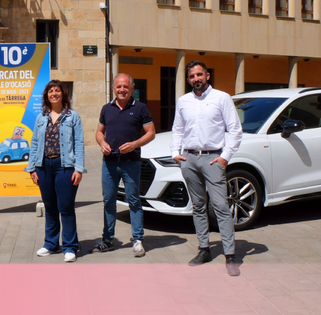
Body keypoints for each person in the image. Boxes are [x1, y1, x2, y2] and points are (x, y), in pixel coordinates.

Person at [171, 60, 243, 276]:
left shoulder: (222, 98)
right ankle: (204, 249)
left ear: (207, 75)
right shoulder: (183, 101)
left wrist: (225, 157)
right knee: (198, 206)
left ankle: (230, 255)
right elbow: (177, 129)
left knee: (221, 206)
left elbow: (235, 130)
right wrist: (176, 153)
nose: (196, 79)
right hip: (189, 159)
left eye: (199, 75)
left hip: (213, 159)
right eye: (192, 76)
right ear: (188, 79)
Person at [94, 73, 155, 257]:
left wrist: (135, 144)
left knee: (134, 201)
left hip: (131, 163)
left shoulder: (141, 108)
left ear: (132, 88)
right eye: (119, 87)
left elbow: (151, 133)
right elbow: (98, 132)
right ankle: (107, 239)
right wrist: (102, 143)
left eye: (125, 87)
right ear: (114, 88)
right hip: (109, 163)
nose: (122, 90)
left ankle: (137, 240)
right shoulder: (107, 108)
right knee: (108, 201)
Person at [25, 80, 86, 262]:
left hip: (65, 166)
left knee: (66, 207)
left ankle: (70, 246)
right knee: (50, 208)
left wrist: (79, 169)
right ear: (47, 96)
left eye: (57, 90)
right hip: (43, 166)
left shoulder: (72, 117)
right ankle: (51, 244)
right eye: (51, 91)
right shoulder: (40, 117)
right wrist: (32, 168)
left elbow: (79, 143)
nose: (54, 94)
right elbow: (35, 143)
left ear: (62, 94)